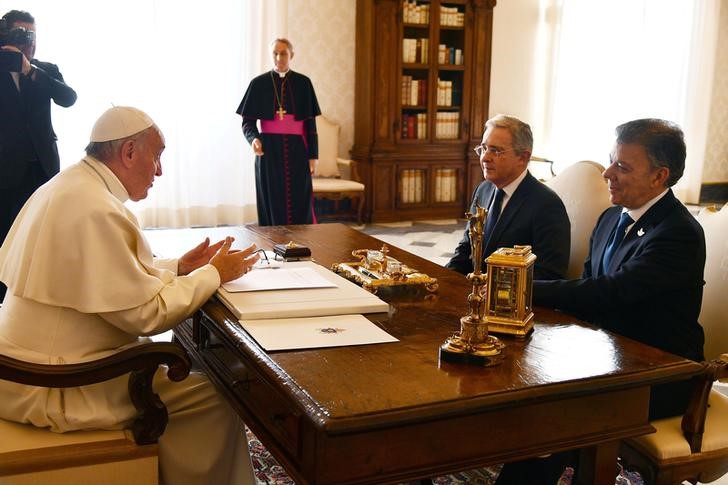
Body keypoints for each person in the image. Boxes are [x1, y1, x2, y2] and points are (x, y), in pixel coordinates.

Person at [0, 106, 260, 485]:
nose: (159, 171)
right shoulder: (97, 209)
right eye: (157, 157)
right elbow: (146, 315)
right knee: (213, 396)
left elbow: (107, 273)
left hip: (22, 368)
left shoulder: (71, 186)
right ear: (128, 152)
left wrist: (179, 268)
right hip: (56, 383)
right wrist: (214, 274)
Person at [495, 118, 706, 485]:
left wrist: (521, 284)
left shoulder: (678, 234)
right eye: (610, 161)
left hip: (660, 372)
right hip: (609, 356)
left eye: (622, 166)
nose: (607, 173)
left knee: (555, 411)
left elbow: (607, 293)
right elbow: (591, 290)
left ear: (659, 177)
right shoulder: (611, 218)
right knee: (523, 382)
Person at [0, 9, 77, 301]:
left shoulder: (45, 69)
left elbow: (68, 98)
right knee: (6, 239)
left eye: (33, 35)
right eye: (21, 35)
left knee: (43, 239)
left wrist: (29, 70)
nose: (28, 42)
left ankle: (40, 299)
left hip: (44, 171)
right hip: (5, 172)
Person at [446, 114, 570, 279]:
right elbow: (466, 249)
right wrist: (442, 278)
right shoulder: (483, 190)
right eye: (483, 148)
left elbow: (549, 274)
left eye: (495, 151)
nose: (485, 158)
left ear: (523, 157)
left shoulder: (547, 205)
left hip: (510, 301)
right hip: (473, 294)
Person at [236, 37, 321, 226]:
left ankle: (302, 241)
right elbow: (248, 123)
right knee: (271, 196)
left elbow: (310, 126)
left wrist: (313, 156)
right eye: (275, 53)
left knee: (300, 197)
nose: (279, 57)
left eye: (283, 53)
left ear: (291, 55)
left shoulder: (303, 83)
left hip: (298, 151)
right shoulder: (258, 84)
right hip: (268, 150)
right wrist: (254, 140)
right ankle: (272, 242)